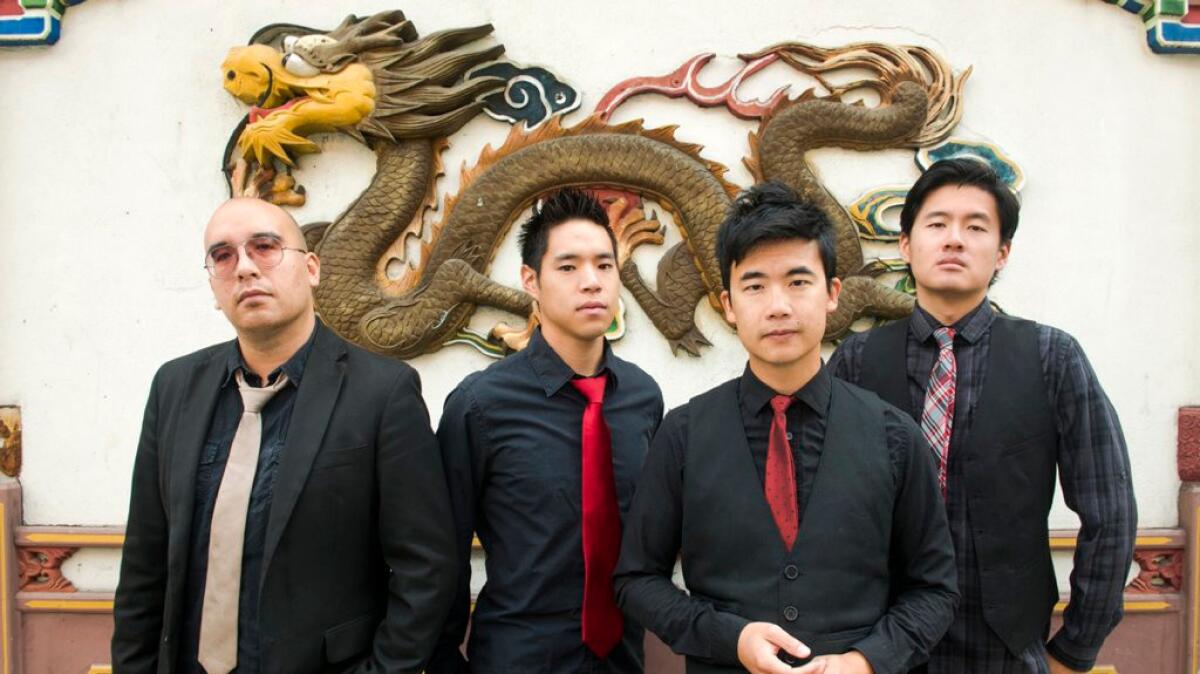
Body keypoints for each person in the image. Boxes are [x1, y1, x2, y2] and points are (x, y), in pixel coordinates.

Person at [614, 181, 957, 674]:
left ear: (832, 293)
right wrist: (731, 638)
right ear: (728, 305)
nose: (778, 306)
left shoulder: (894, 435)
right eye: (754, 286)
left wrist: (864, 661)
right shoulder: (684, 433)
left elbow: (935, 588)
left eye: (798, 282)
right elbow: (636, 579)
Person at [112, 198, 457, 673]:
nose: (246, 267)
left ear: (312, 268)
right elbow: (144, 564)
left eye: (265, 247)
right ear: (214, 284)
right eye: (224, 256)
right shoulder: (175, 388)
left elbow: (426, 568)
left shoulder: (381, 392)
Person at [829, 158, 1137, 674]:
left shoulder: (1052, 357)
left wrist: (1075, 650)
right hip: (880, 647)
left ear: (1002, 253)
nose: (954, 239)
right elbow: (823, 510)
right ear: (906, 245)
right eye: (937, 224)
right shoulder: (856, 361)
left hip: (1007, 649)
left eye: (976, 227)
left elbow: (1110, 512)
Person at [429, 188, 664, 673]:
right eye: (568, 267)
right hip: (518, 659)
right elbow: (443, 553)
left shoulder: (643, 398)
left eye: (604, 265)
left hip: (623, 660)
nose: (591, 282)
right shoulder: (481, 405)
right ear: (530, 281)